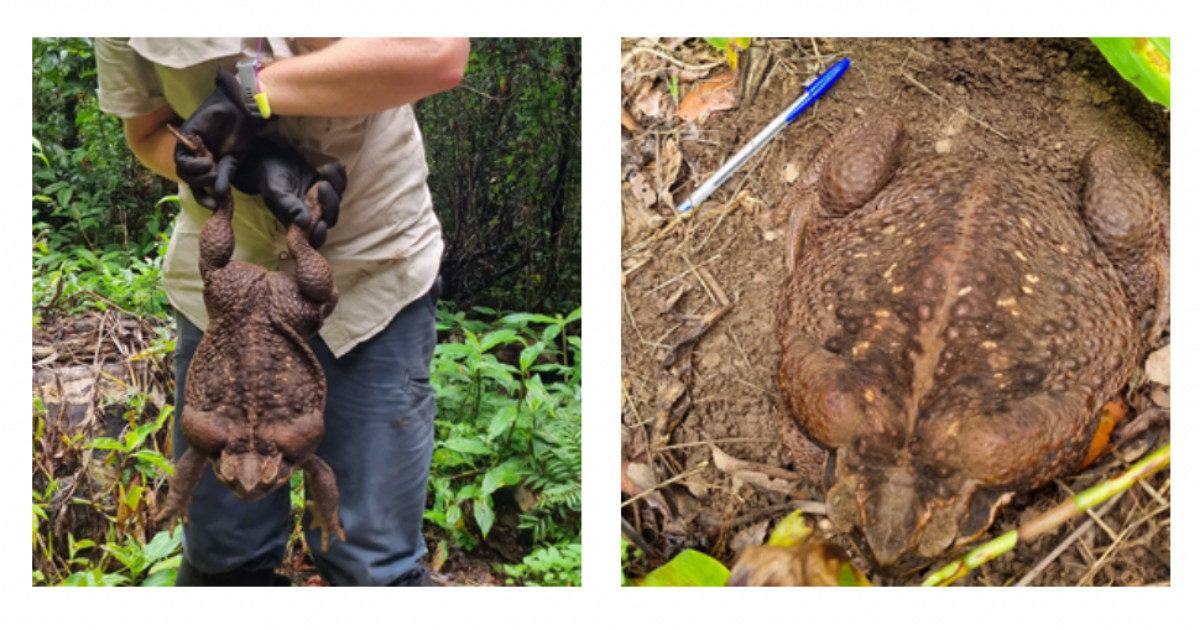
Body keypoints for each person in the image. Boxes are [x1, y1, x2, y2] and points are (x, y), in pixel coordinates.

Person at [94, 37, 469, 586]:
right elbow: (147, 132)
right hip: (224, 290)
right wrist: (215, 166)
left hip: (371, 264)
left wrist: (250, 92)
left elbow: (438, 53)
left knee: (374, 564)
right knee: (222, 557)